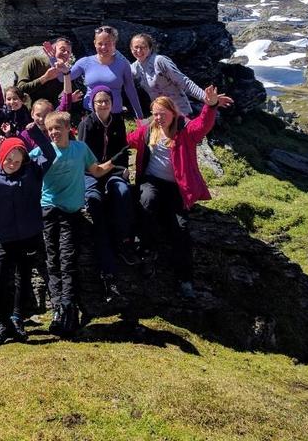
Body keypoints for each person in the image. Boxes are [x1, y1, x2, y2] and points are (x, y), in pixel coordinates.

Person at [126, 86, 220, 299]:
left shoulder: (185, 130)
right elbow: (125, 140)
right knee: (146, 203)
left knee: (181, 228)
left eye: (163, 113)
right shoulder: (148, 129)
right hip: (151, 181)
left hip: (176, 188)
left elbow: (203, 125)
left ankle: (185, 279)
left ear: (173, 112)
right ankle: (147, 251)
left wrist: (210, 105)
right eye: (155, 113)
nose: (159, 117)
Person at [31, 110, 114, 337]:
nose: (54, 133)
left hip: (72, 213)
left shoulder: (80, 149)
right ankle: (59, 308)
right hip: (48, 209)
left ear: (69, 128)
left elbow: (95, 171)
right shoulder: (42, 151)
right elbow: (22, 164)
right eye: (50, 130)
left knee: (67, 259)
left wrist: (112, 165)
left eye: (58, 128)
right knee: (52, 259)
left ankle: (67, 308)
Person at [0, 132, 56, 346]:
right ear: (1, 156)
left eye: (17, 161)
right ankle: (3, 323)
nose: (12, 164)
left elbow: (50, 153)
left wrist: (34, 133)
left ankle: (17, 319)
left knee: (24, 278)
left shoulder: (32, 172)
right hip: (3, 238)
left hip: (29, 235)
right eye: (9, 159)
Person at [77, 86, 138, 305]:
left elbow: (123, 149)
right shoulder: (86, 123)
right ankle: (108, 260)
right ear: (92, 103)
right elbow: (83, 155)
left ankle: (124, 239)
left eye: (106, 101)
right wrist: (100, 168)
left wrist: (123, 168)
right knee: (94, 201)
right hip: (90, 172)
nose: (102, 104)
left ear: (112, 103)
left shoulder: (118, 122)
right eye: (98, 101)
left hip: (113, 171)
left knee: (122, 192)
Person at [129, 33, 234, 117]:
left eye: (143, 47)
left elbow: (185, 82)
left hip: (180, 114)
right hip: (161, 115)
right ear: (131, 49)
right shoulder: (134, 68)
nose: (139, 51)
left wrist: (207, 98)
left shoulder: (159, 61)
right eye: (135, 47)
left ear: (150, 48)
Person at [69, 25, 143, 118]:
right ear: (95, 43)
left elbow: (130, 90)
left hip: (115, 115)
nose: (104, 47)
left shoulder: (123, 64)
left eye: (108, 43)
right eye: (100, 43)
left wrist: (139, 114)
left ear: (114, 44)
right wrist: (55, 61)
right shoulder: (84, 62)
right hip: (91, 115)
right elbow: (63, 78)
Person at [15, 37, 79, 108]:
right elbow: (20, 89)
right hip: (30, 112)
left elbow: (63, 97)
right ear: (53, 49)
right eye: (62, 49)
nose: (66, 53)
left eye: (68, 52)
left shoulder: (66, 72)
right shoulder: (35, 62)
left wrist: (68, 99)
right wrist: (45, 78)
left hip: (50, 114)